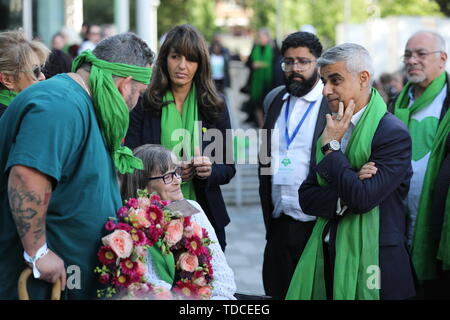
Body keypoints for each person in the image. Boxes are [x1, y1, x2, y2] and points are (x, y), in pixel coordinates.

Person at [0, 32, 154, 299]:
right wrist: (38, 252)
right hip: (43, 285)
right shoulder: (62, 104)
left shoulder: (82, 101)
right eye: (139, 93)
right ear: (125, 84)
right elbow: (26, 176)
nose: (136, 102)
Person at [286, 43, 416, 300]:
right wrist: (352, 179)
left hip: (376, 266)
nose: (326, 90)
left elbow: (362, 200)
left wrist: (333, 151)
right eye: (324, 81)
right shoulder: (333, 127)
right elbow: (307, 197)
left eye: (335, 80)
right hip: (328, 257)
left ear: (363, 78)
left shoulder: (392, 133)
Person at [124, 25, 235, 252]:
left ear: (200, 64)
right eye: (176, 57)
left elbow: (228, 168)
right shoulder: (145, 103)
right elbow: (130, 162)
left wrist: (209, 170)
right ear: (165, 59)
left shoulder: (215, 105)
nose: (182, 66)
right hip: (152, 216)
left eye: (191, 59)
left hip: (205, 217)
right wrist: (166, 173)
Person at [258, 31, 330, 300]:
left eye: (303, 61)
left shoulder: (331, 103)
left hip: (315, 225)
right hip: (278, 221)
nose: (295, 69)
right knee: (276, 290)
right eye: (289, 62)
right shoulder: (276, 100)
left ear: (318, 64)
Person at [120, 144, 237, 300]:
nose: (178, 180)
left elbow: (223, 279)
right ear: (143, 185)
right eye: (167, 176)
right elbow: (145, 286)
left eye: (176, 172)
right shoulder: (131, 226)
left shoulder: (192, 209)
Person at [392, 30, 450, 299]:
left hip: (437, 226)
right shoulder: (396, 105)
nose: (412, 60)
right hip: (396, 226)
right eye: (408, 54)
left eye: (421, 54)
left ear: (443, 59)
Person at [0, 30, 49, 118]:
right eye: (35, 71)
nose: (43, 77)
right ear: (7, 80)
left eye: (41, 69)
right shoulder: (21, 117)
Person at [242, 28, 277, 128]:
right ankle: (261, 125)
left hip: (269, 82)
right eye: (259, 37)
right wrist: (253, 64)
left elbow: (276, 64)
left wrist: (260, 65)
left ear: (267, 37)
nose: (261, 39)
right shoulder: (255, 47)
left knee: (267, 104)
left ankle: (267, 124)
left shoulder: (273, 48)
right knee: (257, 104)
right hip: (256, 82)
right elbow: (248, 62)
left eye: (262, 37)